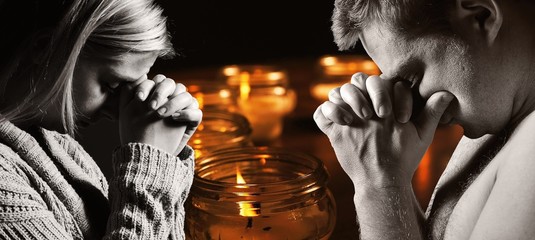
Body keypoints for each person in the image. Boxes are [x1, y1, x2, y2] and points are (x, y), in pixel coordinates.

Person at [314, 0, 535, 239]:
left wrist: (378, 185)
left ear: (481, 17)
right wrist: (390, 171)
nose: (411, 102)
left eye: (412, 76)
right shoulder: (503, 109)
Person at [0, 0, 201, 239]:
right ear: (45, 49)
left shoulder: (56, 146)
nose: (118, 111)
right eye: (111, 85)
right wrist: (150, 170)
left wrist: (165, 162)